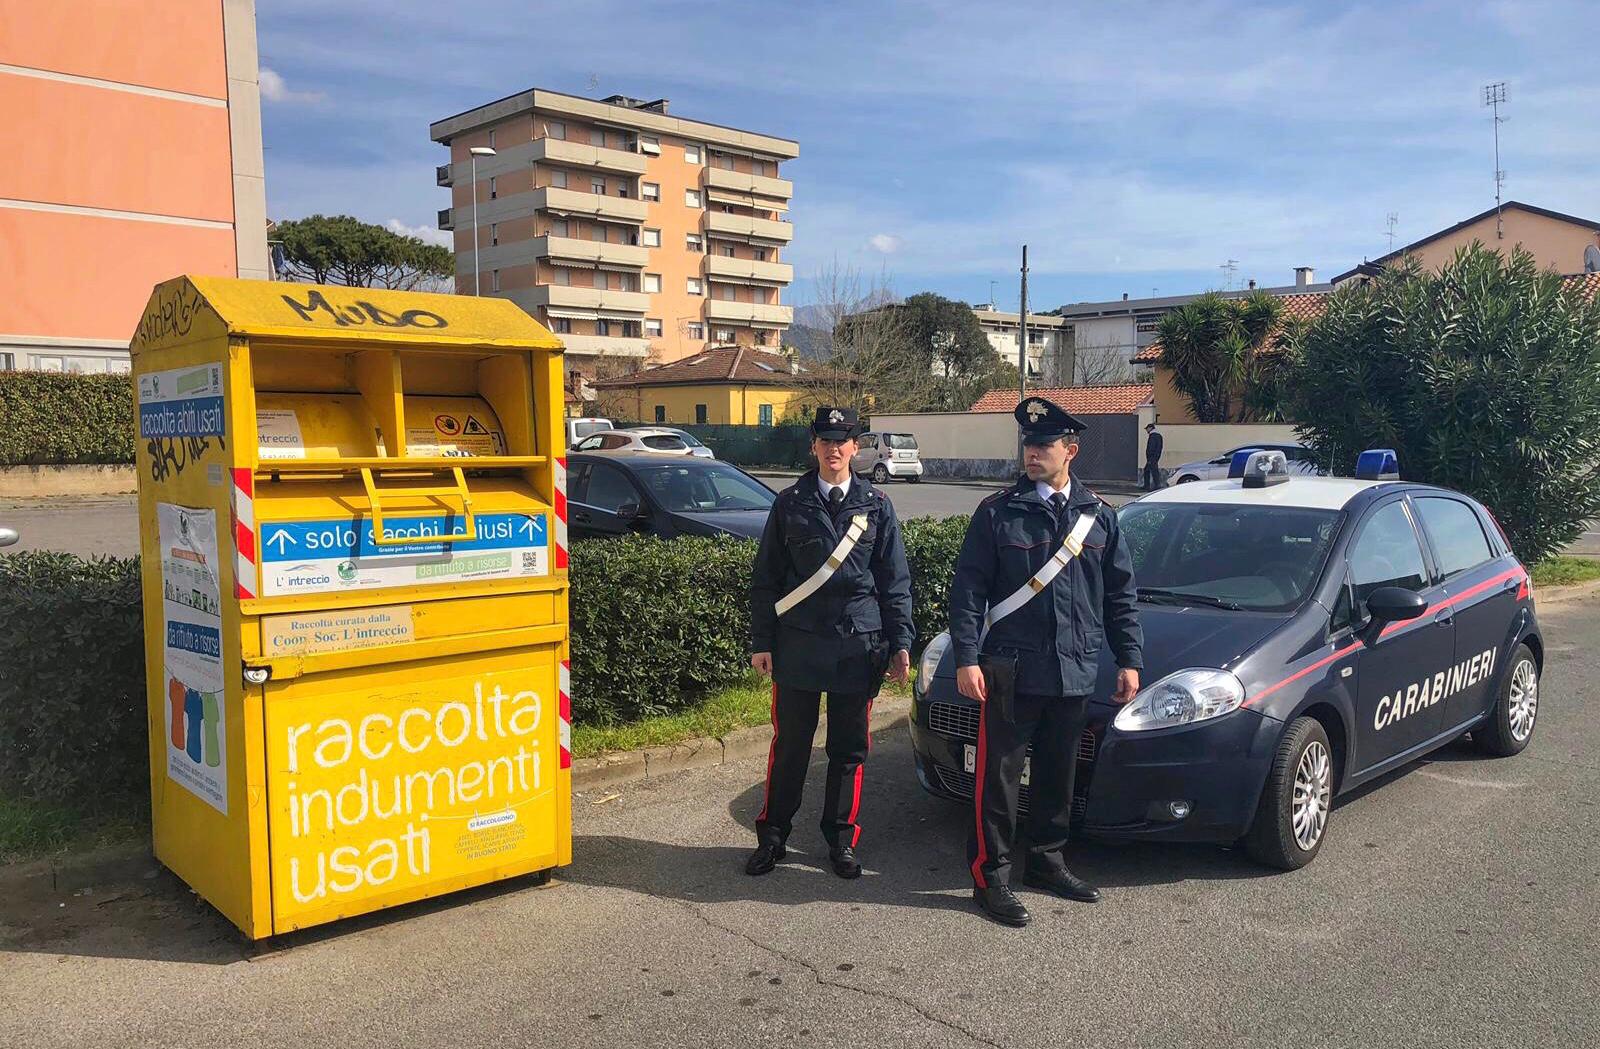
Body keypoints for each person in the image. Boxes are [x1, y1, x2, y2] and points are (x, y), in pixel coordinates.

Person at [948, 396, 1143, 927]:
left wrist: (1129, 659)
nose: (1032, 453)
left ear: (1070, 451)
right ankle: (991, 877)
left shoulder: (1100, 517)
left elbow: (1119, 596)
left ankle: (1048, 863)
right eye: (1028, 445)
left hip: (1075, 668)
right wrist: (967, 658)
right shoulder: (997, 512)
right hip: (1010, 670)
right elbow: (968, 592)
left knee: (1059, 773)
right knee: (999, 779)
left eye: (1044, 445)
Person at [746, 405, 914, 879]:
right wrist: (763, 641)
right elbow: (767, 579)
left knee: (848, 748)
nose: (834, 448)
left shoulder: (876, 504)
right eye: (825, 440)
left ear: (856, 447)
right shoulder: (790, 503)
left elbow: (894, 581)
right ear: (813, 447)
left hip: (857, 646)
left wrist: (900, 642)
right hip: (798, 645)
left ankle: (841, 840)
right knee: (791, 746)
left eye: (843, 440)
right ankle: (773, 836)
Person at [1142, 421, 1164, 491]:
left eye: (1147, 429)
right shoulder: (1159, 436)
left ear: (1151, 428)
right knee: (1152, 470)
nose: (1146, 430)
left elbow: (1151, 447)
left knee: (1150, 471)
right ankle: (1154, 485)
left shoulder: (1153, 436)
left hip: (1151, 457)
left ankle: (1151, 486)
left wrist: (1149, 458)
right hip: (1156, 456)